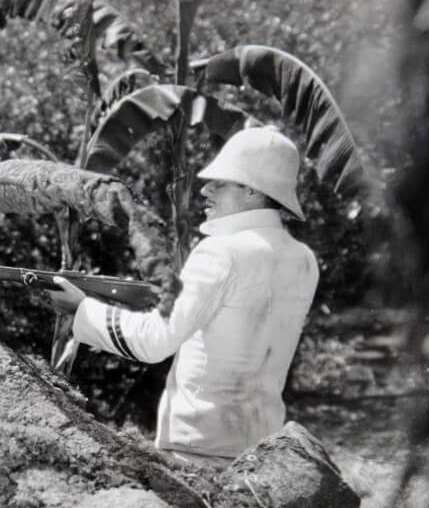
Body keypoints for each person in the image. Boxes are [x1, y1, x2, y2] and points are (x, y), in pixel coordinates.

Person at [48, 126, 318, 469]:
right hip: (261, 451)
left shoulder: (220, 252)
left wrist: (81, 310)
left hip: (198, 451)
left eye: (220, 181)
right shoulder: (304, 259)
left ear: (251, 190)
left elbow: (155, 341)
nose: (206, 189)